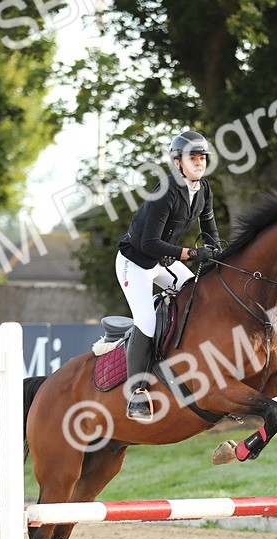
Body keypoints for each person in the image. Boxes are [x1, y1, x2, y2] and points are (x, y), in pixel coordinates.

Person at [115, 130, 221, 420]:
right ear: (177, 163)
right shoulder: (165, 192)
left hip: (162, 261)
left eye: (202, 158)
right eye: (193, 158)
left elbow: (210, 232)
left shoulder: (203, 190)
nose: (199, 163)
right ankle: (136, 393)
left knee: (194, 296)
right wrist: (189, 254)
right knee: (146, 319)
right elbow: (148, 243)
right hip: (135, 262)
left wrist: (218, 252)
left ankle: (177, 363)